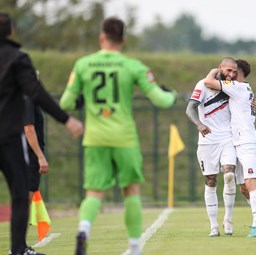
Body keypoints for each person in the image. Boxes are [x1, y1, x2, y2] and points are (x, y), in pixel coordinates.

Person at [59, 17, 177, 255]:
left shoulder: (83, 64)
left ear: (101, 37)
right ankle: (134, 248)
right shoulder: (133, 66)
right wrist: (170, 94)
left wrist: (82, 99)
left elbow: (65, 102)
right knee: (131, 191)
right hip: (124, 138)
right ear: (123, 40)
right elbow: (161, 100)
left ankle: (83, 230)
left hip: (95, 138)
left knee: (93, 193)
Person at [0, 12, 83, 255]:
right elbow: (36, 93)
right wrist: (66, 119)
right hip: (8, 137)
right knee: (19, 192)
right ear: (11, 31)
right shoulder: (17, 59)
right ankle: (18, 250)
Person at [204, 59, 256, 238]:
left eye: (233, 71)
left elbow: (208, 81)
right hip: (238, 142)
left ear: (238, 73)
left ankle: (255, 226)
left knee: (251, 182)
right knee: (244, 187)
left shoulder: (237, 86)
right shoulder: (245, 88)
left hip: (247, 142)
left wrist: (216, 70)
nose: (229, 74)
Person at [185, 57, 239, 237]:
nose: (231, 74)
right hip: (207, 141)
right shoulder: (203, 84)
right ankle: (213, 226)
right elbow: (190, 108)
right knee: (210, 180)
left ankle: (228, 220)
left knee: (230, 174)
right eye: (228, 70)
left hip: (227, 139)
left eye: (234, 71)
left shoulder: (233, 86)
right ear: (219, 69)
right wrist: (199, 124)